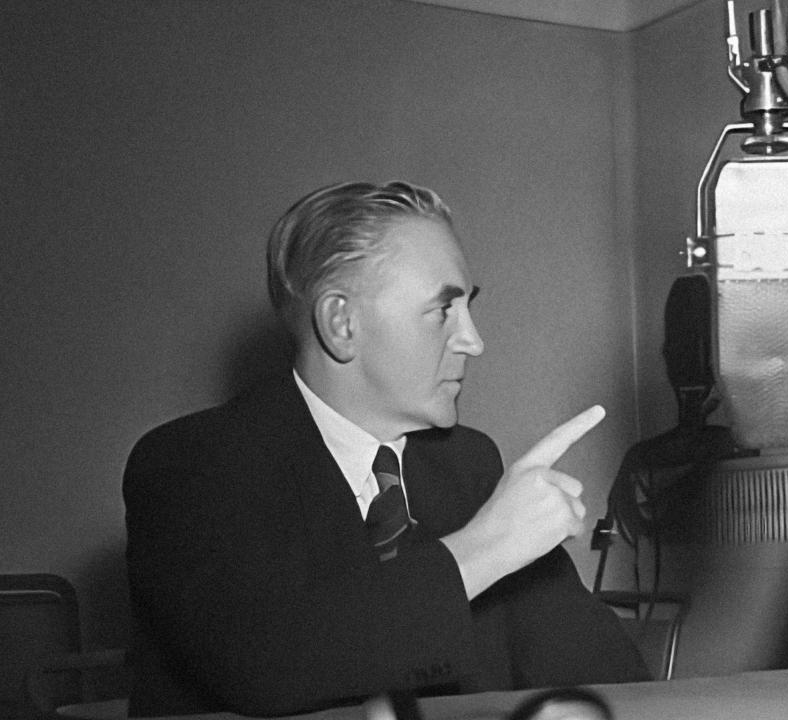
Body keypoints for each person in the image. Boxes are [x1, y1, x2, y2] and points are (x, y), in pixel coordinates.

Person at [123, 181, 649, 717]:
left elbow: (609, 677)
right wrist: (483, 549)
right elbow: (266, 663)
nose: (474, 340)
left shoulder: (466, 464)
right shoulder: (192, 463)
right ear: (341, 324)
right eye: (443, 310)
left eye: (468, 307)